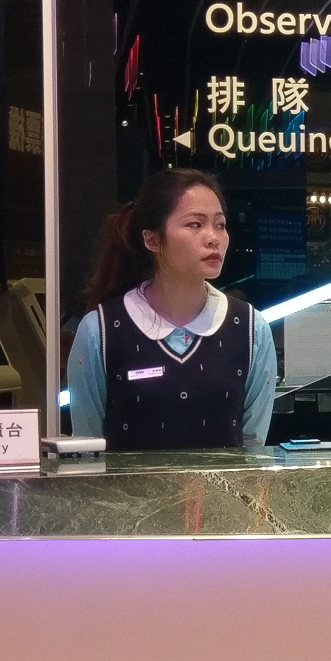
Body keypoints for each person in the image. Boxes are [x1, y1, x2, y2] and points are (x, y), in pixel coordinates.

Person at [67, 168, 276, 451]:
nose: (213, 237)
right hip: (130, 483)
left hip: (223, 483)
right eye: (195, 224)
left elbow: (253, 446)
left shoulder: (251, 328)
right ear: (152, 240)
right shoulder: (100, 331)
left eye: (220, 225)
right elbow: (87, 446)